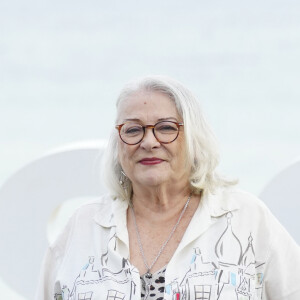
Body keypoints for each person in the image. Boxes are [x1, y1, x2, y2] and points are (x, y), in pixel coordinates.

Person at [36, 76, 300, 300]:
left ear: (193, 139)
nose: (149, 142)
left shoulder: (246, 218)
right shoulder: (84, 227)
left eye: (165, 128)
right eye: (132, 130)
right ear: (118, 145)